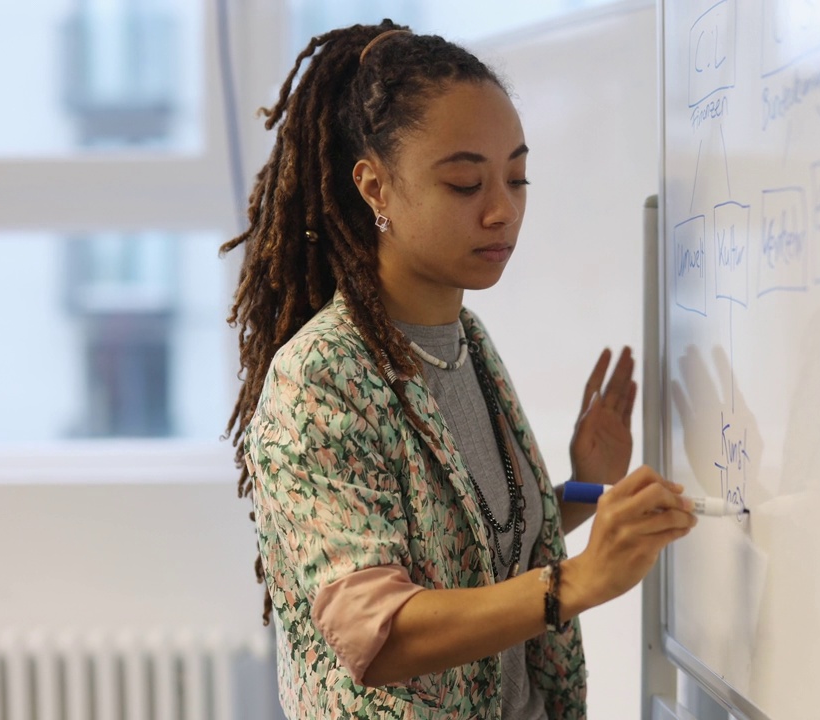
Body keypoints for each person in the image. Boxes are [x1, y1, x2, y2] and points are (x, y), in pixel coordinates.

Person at [221, 19, 697, 719]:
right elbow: (376, 635)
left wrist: (584, 487)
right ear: (375, 187)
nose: (502, 210)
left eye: (516, 176)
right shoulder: (319, 380)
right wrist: (579, 580)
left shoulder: (461, 339)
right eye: (466, 182)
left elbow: (473, 548)